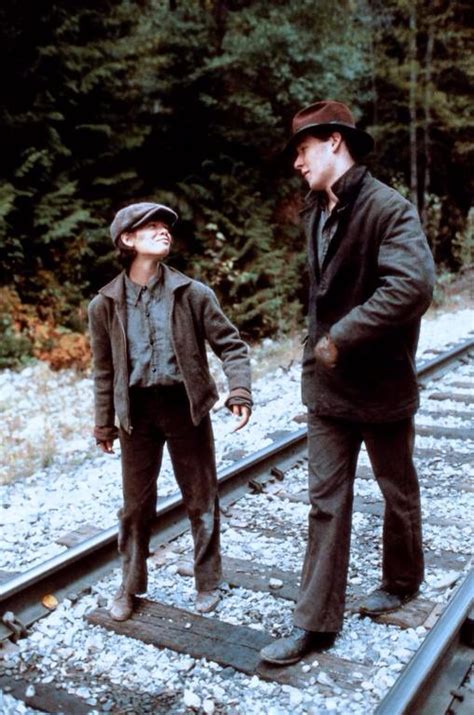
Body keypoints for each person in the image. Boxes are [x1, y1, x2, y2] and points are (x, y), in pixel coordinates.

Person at [259, 100, 435, 665]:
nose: (297, 163)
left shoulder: (389, 209)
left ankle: (403, 580)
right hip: (328, 391)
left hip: (382, 384)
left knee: (396, 488)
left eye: (303, 150)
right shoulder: (315, 211)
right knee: (325, 502)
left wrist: (344, 334)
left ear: (335, 141)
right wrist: (315, 349)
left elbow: (412, 286)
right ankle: (315, 624)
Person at [88, 201, 252, 621]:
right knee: (135, 507)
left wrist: (239, 390)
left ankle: (208, 581)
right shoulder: (105, 304)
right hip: (136, 415)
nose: (164, 232)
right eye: (152, 227)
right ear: (127, 240)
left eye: (166, 227)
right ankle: (130, 585)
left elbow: (231, 345)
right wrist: (104, 423)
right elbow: (103, 370)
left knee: (201, 497)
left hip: (185, 407)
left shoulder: (192, 293)